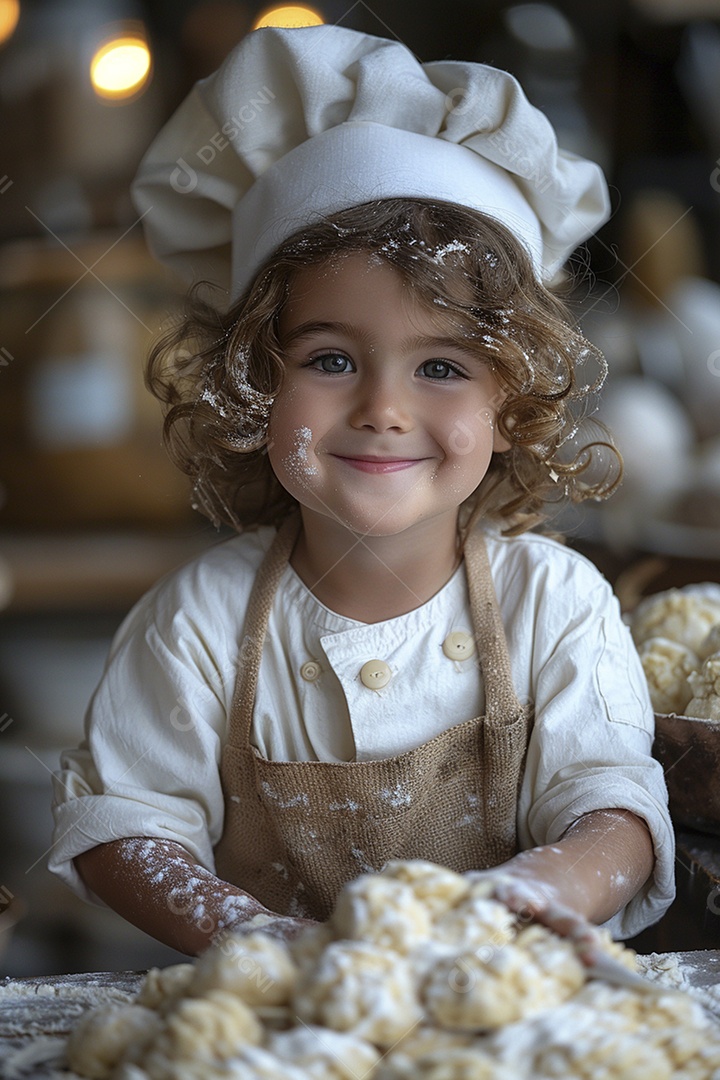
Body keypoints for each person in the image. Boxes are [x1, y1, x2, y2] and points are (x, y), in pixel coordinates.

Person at [49, 24, 674, 958]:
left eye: (444, 367)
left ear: (511, 402)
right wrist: (258, 940)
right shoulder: (199, 622)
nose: (383, 408)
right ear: (255, 385)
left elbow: (613, 810)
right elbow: (123, 831)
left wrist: (536, 892)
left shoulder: (556, 604)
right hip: (275, 1029)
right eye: (332, 359)